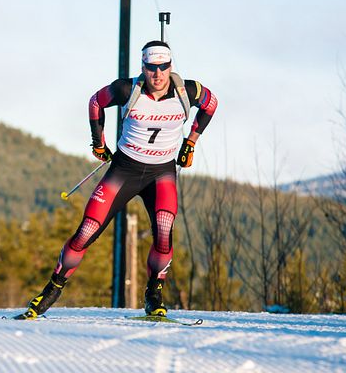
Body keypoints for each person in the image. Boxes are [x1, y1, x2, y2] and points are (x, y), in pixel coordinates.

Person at [14, 40, 218, 320]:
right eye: (151, 68)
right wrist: (98, 142)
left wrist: (191, 142)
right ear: (143, 67)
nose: (157, 74)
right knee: (86, 230)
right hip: (125, 169)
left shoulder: (188, 91)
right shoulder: (127, 89)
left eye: (163, 67)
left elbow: (211, 103)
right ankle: (52, 289)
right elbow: (96, 101)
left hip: (161, 172)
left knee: (164, 229)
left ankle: (154, 293)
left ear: (171, 66)